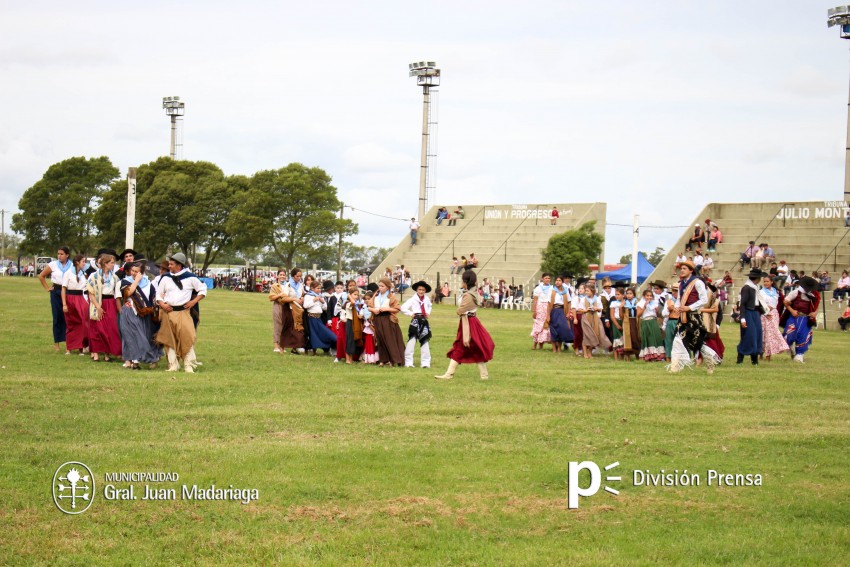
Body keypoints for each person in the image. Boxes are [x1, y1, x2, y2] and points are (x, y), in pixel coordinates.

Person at [435, 270, 495, 380]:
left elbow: (460, 310)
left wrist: (459, 310)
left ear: (466, 282)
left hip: (468, 322)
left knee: (462, 346)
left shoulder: (468, 295)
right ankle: (483, 374)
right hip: (471, 321)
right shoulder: (473, 292)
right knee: (473, 346)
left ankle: (449, 374)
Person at [155, 253, 207, 372]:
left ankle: (188, 365)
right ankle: (173, 365)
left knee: (186, 337)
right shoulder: (165, 278)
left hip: (183, 312)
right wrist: (162, 304)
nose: (169, 266)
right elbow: (158, 293)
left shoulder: (190, 277)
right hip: (168, 313)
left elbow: (202, 290)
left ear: (179, 265)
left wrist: (193, 302)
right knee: (169, 339)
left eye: (171, 264)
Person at [668, 261, 718, 374]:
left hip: (694, 316)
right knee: (678, 339)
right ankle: (675, 366)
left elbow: (704, 299)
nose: (682, 270)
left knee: (698, 342)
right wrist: (677, 307)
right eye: (681, 268)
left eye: (684, 268)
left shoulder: (697, 282)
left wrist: (689, 307)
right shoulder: (681, 283)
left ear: (691, 270)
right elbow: (679, 299)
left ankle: (710, 361)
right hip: (683, 317)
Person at [119, 259, 162, 369]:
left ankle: (142, 360)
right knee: (131, 336)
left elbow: (153, 299)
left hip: (143, 314)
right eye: (132, 271)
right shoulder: (126, 281)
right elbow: (129, 292)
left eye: (136, 271)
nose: (133, 273)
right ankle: (133, 361)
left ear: (142, 273)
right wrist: (136, 281)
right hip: (129, 312)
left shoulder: (148, 284)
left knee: (143, 337)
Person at [86, 252, 123, 362]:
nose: (113, 264)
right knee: (97, 328)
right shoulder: (94, 276)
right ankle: (96, 354)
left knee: (110, 328)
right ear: (105, 263)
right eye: (111, 263)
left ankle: (107, 354)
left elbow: (117, 292)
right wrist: (98, 307)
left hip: (110, 303)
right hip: (98, 303)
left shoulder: (115, 277)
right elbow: (91, 293)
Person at [38, 246, 72, 353]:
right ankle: (57, 343)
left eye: (62, 254)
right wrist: (47, 288)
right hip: (56, 291)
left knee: (67, 318)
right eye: (58, 254)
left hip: (68, 292)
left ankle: (69, 343)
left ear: (67, 255)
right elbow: (41, 276)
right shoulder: (53, 265)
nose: (59, 256)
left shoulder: (72, 265)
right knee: (57, 317)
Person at [368, 278, 406, 367]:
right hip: (377, 319)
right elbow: (369, 306)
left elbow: (397, 309)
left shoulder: (391, 297)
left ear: (387, 287)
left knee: (389, 340)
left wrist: (387, 309)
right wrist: (373, 310)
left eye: (382, 286)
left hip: (387, 319)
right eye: (379, 286)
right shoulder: (376, 296)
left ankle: (393, 360)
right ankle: (383, 359)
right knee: (380, 340)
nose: (380, 288)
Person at [783, 276, 820, 363]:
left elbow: (816, 306)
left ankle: (799, 355)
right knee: (789, 333)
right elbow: (785, 301)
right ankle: (791, 347)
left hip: (805, 319)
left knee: (803, 335)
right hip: (794, 317)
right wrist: (792, 311)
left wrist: (815, 313)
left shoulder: (814, 295)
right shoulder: (796, 292)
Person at [61, 254, 90, 356]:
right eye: (83, 261)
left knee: (82, 323)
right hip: (70, 298)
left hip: (81, 298)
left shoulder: (83, 274)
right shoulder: (68, 273)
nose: (84, 264)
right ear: (77, 262)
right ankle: (69, 348)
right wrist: (64, 304)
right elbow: (63, 289)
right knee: (71, 323)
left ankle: (81, 347)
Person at [401, 281, 433, 368]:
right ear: (416, 290)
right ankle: (408, 362)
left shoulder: (427, 299)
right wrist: (411, 313)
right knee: (412, 341)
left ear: (425, 291)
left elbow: (430, 306)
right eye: (419, 289)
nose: (421, 291)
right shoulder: (412, 299)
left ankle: (425, 363)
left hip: (424, 321)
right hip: (415, 321)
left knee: (425, 341)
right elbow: (403, 308)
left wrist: (428, 313)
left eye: (423, 290)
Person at [736, 269, 764, 366]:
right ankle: (740, 357)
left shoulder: (755, 287)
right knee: (749, 335)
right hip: (748, 312)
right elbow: (742, 304)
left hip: (755, 313)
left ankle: (754, 359)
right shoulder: (747, 288)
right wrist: (743, 318)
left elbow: (758, 302)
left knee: (757, 335)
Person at [303, 280, 337, 355]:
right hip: (311, 318)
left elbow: (325, 308)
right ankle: (313, 350)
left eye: (320, 288)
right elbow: (305, 306)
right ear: (312, 288)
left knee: (326, 333)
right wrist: (314, 300)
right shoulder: (308, 296)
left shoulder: (320, 296)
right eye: (317, 288)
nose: (319, 290)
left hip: (319, 318)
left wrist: (323, 302)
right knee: (313, 335)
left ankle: (328, 347)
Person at [760, 275, 789, 361]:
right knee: (764, 334)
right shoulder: (761, 292)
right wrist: (765, 308)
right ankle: (761, 353)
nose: (765, 283)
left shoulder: (777, 292)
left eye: (767, 281)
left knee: (772, 334)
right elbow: (759, 304)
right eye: (764, 281)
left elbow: (781, 303)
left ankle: (768, 355)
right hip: (765, 314)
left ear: (772, 282)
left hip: (774, 314)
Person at [578, 284, 611, 358]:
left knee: (593, 335)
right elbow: (579, 309)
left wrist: (597, 308)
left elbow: (600, 309)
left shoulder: (597, 299)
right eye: (586, 291)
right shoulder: (583, 299)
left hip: (595, 318)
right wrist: (586, 310)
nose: (586, 292)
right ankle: (585, 353)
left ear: (592, 291)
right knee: (587, 335)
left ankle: (590, 352)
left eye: (588, 291)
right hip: (586, 318)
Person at [637, 289, 665, 361]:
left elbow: (658, 315)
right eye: (647, 296)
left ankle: (657, 356)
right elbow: (638, 315)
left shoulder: (654, 303)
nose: (649, 297)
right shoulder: (640, 303)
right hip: (646, 321)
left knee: (656, 337)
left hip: (654, 321)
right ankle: (648, 356)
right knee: (649, 338)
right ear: (644, 296)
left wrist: (657, 310)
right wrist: (644, 307)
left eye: (650, 296)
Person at [547, 276, 573, 353]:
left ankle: (559, 348)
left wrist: (568, 312)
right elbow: (549, 303)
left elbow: (569, 302)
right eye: (556, 280)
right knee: (553, 329)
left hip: (562, 311)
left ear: (562, 282)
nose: (558, 282)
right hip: (554, 310)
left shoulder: (565, 291)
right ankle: (554, 348)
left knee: (561, 328)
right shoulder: (552, 291)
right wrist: (548, 315)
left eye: (559, 280)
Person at [530, 273, 553, 350]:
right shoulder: (538, 288)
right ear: (542, 279)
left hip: (548, 308)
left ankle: (541, 344)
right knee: (538, 326)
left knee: (545, 326)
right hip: (540, 308)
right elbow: (535, 300)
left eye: (548, 278)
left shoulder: (552, 288)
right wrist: (534, 311)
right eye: (546, 278)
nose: (547, 280)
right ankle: (534, 344)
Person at [269, 270, 289, 353]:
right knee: (277, 326)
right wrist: (279, 295)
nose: (282, 276)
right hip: (278, 306)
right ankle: (276, 346)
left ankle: (282, 345)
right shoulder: (275, 286)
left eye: (284, 275)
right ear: (277, 276)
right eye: (280, 275)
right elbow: (271, 298)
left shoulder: (288, 285)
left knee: (285, 326)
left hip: (287, 306)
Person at [343, 287, 364, 363]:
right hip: (350, 322)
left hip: (355, 323)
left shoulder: (357, 305)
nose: (356, 296)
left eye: (357, 295)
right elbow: (353, 302)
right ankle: (347, 359)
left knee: (353, 340)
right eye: (354, 294)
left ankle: (351, 358)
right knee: (349, 340)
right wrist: (349, 296)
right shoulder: (348, 303)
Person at [662, 283, 680, 363]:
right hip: (670, 321)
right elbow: (663, 314)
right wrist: (668, 310)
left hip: (680, 321)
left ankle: (681, 358)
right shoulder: (668, 301)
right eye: (673, 291)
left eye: (676, 291)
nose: (674, 292)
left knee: (680, 341)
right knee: (669, 340)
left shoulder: (683, 301)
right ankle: (668, 358)